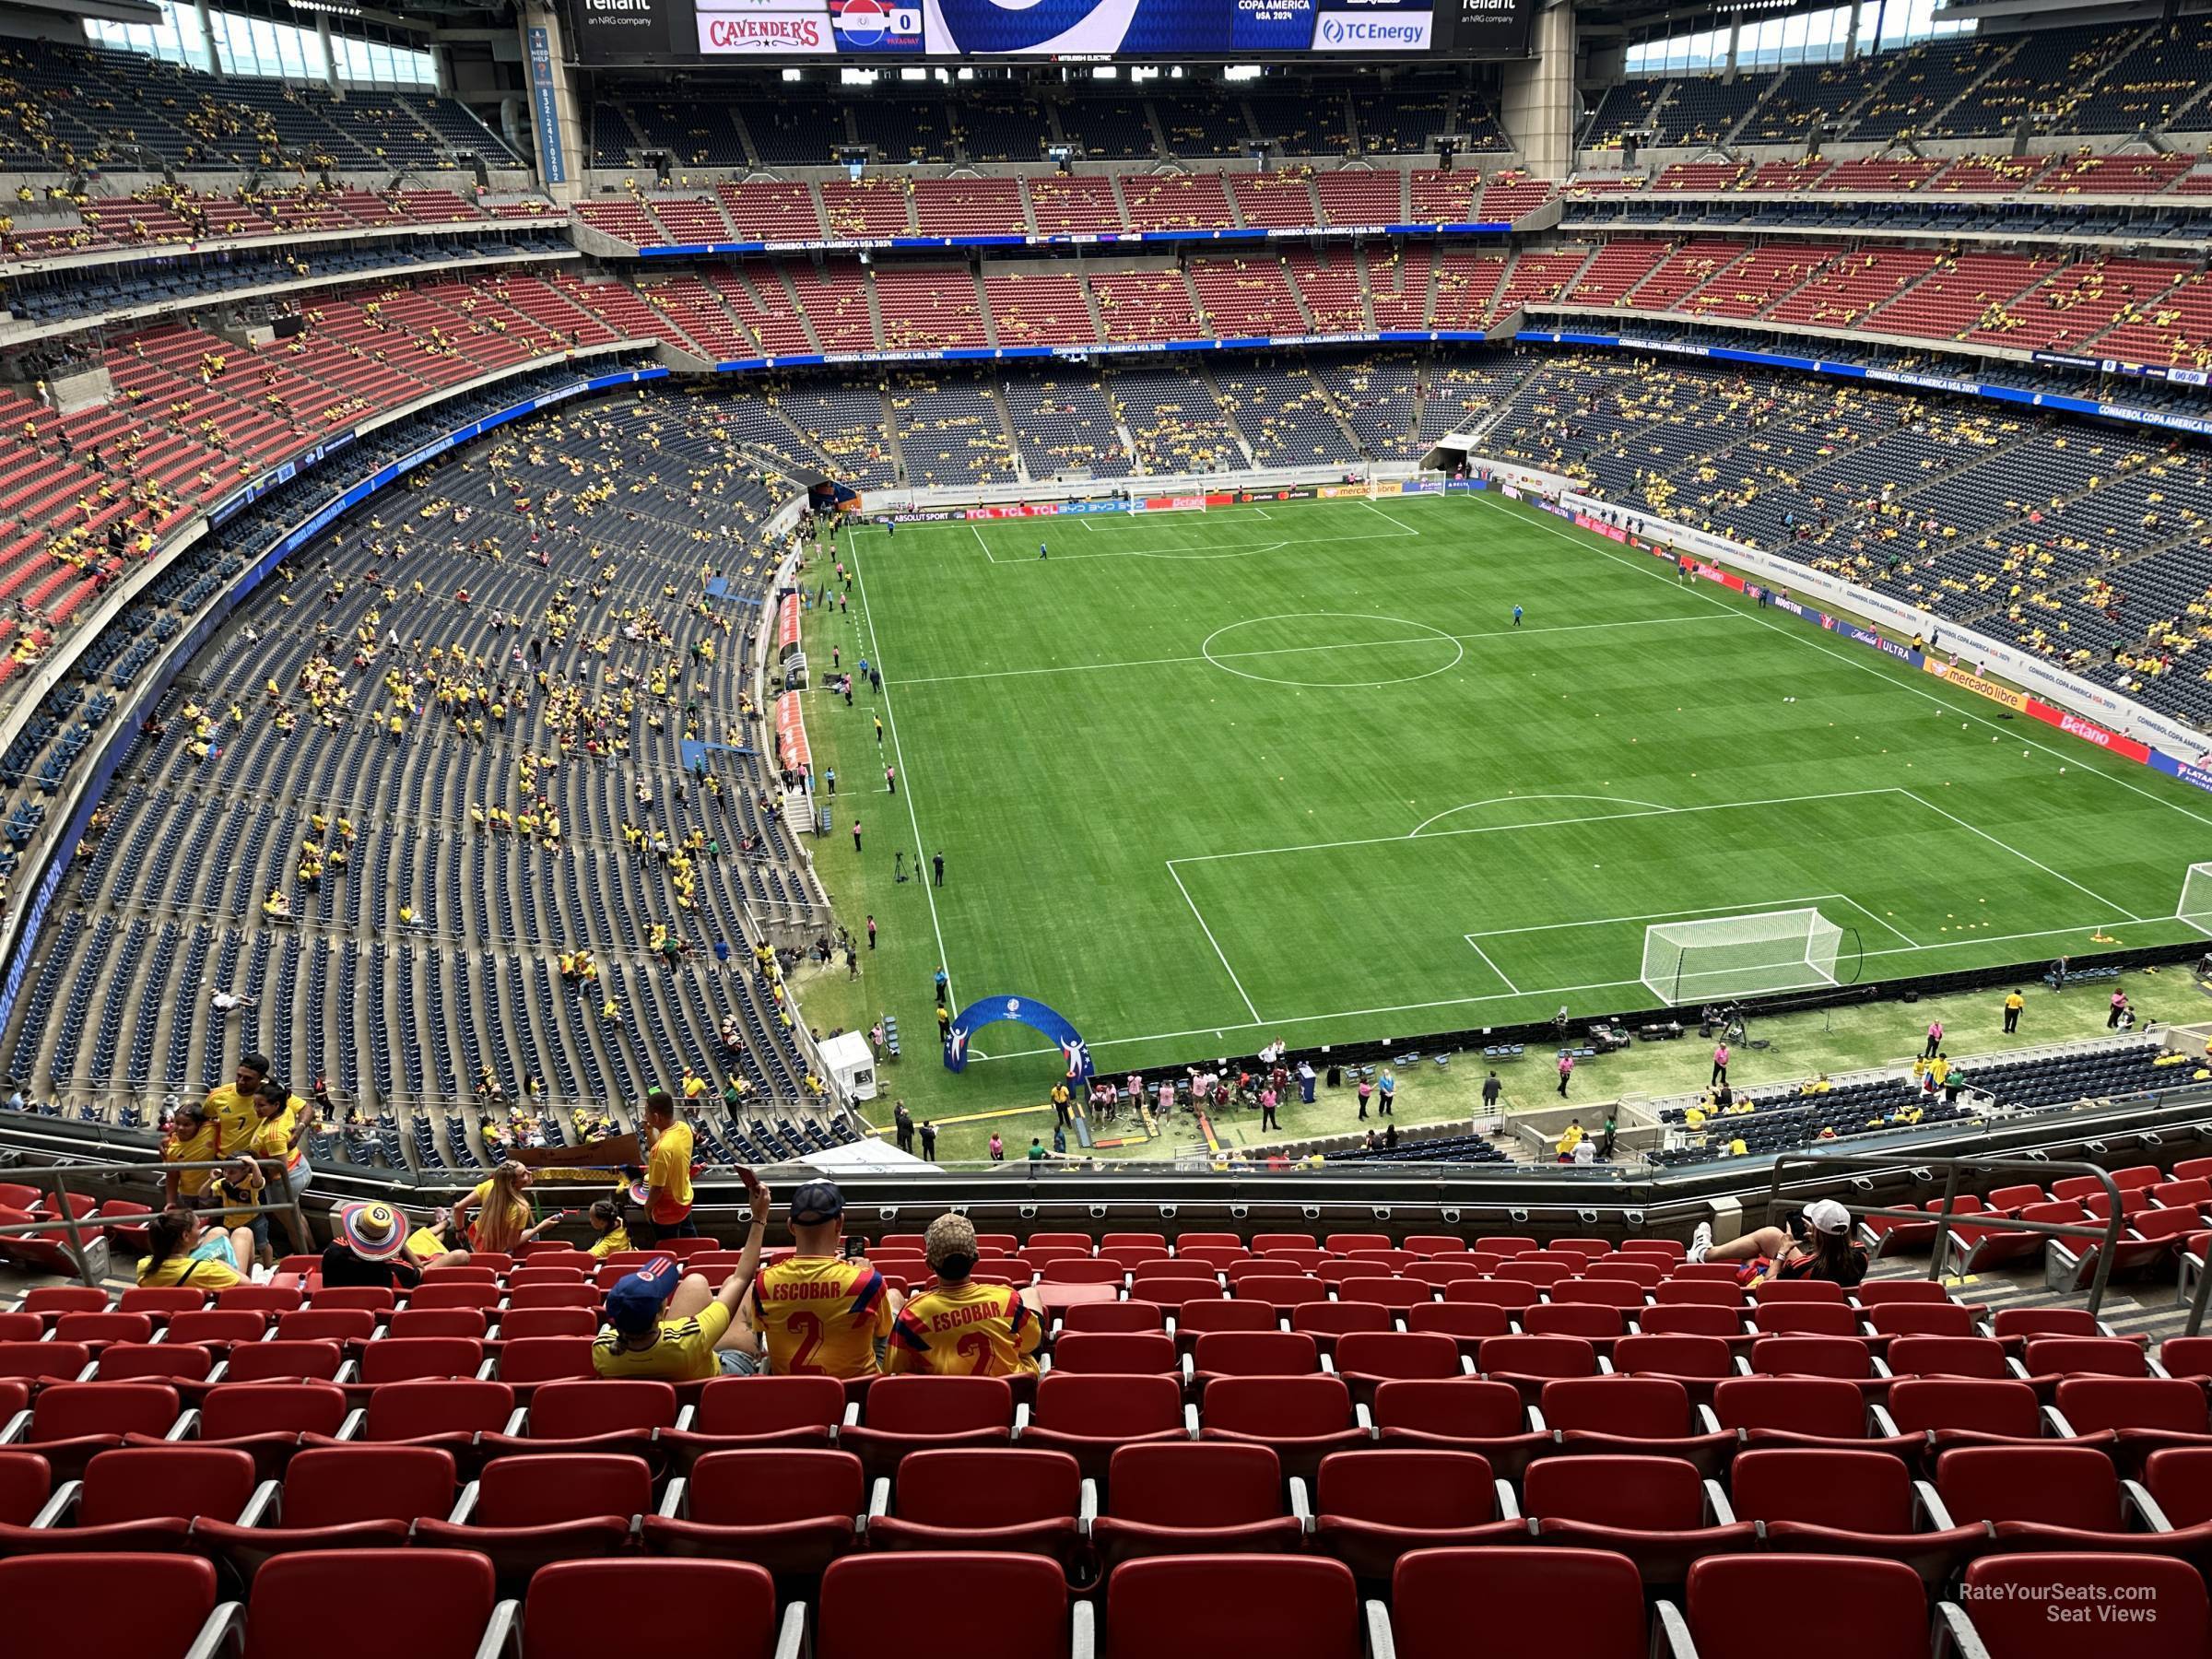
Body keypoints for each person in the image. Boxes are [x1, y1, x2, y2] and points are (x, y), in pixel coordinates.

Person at [596, 1171, 771, 1380]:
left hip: (668, 1375)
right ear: (660, 1315)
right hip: (715, 1373)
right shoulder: (691, 1338)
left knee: (695, 1281)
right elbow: (741, 1278)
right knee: (743, 1288)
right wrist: (759, 1218)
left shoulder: (601, 1350)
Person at [743, 1180, 899, 1378]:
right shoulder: (867, 1281)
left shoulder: (765, 1282)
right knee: (893, 1299)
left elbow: (760, 1329)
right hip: (857, 1394)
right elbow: (883, 1332)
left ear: (791, 1226)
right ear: (840, 1223)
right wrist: (865, 1272)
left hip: (791, 1394)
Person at [888, 1213, 1042, 1375]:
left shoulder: (913, 1314)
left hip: (940, 1397)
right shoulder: (1007, 1300)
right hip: (1008, 1394)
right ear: (976, 1257)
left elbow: (895, 1367)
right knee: (1030, 1294)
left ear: (929, 1264)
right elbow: (1032, 1343)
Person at [1689, 1199, 1867, 1288]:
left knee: (1751, 1261)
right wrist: (1819, 1239)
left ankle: (1706, 1254)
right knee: (1771, 1235)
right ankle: (1705, 1253)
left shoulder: (1803, 1267)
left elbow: (1769, 1285)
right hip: (1827, 1290)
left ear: (1819, 1233)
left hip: (1801, 1295)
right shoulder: (1861, 1254)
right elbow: (1835, 1249)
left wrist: (1782, 1252)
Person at [322, 1199, 468, 1288]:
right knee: (460, 1255)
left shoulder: (334, 1249)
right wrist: (400, 1243)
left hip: (345, 1304)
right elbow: (420, 1269)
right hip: (409, 1273)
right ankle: (447, 1223)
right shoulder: (395, 1269)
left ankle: (445, 1223)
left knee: (425, 1236)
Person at [137, 1205, 254, 1290]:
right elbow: (246, 1285)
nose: (199, 1231)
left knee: (218, 1231)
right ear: (185, 1235)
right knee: (243, 1233)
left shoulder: (144, 1265)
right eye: (197, 1227)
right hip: (205, 1286)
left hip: (185, 1274)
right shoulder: (207, 1269)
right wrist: (222, 1265)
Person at [452, 1160, 557, 1253]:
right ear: (513, 1184)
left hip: (474, 1236)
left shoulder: (490, 1184)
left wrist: (460, 1230)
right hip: (493, 1250)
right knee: (534, 1235)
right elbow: (511, 1244)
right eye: (523, 1174)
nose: (530, 1173)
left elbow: (458, 1208)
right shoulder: (520, 1209)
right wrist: (539, 1228)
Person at [640, 1089, 696, 1240]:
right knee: (691, 1245)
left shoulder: (661, 1149)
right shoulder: (683, 1128)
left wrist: (647, 1208)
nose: (645, 1117)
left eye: (646, 1113)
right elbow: (661, 1148)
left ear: (656, 1116)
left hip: (667, 1212)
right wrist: (649, 1133)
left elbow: (657, 1188)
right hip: (685, 1199)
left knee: (668, 1249)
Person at [161, 1098, 228, 1207]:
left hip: (213, 1190)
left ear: (198, 1124)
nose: (181, 1128)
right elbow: (172, 1176)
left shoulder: (210, 1129)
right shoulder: (171, 1147)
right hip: (188, 1194)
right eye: (177, 1123)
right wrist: (171, 1201)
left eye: (187, 1125)